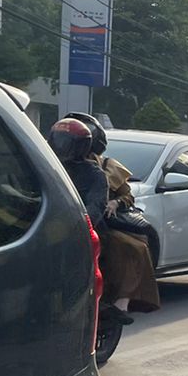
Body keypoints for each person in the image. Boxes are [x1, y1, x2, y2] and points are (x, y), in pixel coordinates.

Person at [48, 119, 159, 322]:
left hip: (91, 225)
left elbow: (100, 204)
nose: (63, 146)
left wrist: (114, 203)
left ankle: (115, 304)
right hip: (52, 223)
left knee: (131, 248)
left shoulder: (99, 171)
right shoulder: (48, 166)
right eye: (61, 141)